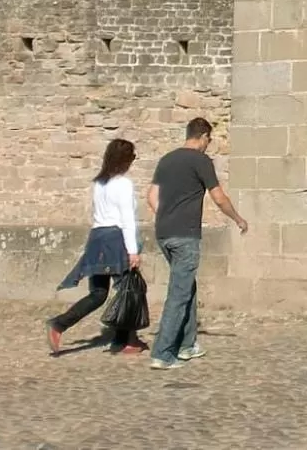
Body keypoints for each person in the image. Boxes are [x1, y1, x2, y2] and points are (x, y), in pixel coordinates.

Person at [146, 117, 248, 370]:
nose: (208, 144)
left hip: (164, 233)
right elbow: (219, 198)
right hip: (185, 235)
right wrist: (238, 219)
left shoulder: (166, 160)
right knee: (179, 294)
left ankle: (187, 344)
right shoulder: (201, 161)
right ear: (203, 136)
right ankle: (163, 353)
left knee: (186, 287)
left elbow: (151, 196)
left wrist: (166, 217)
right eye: (208, 140)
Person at [47, 138, 145, 355]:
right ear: (126, 160)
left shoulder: (99, 183)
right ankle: (125, 341)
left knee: (98, 294)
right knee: (130, 289)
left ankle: (59, 324)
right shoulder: (123, 184)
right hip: (115, 239)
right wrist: (132, 251)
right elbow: (127, 219)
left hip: (97, 238)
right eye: (132, 157)